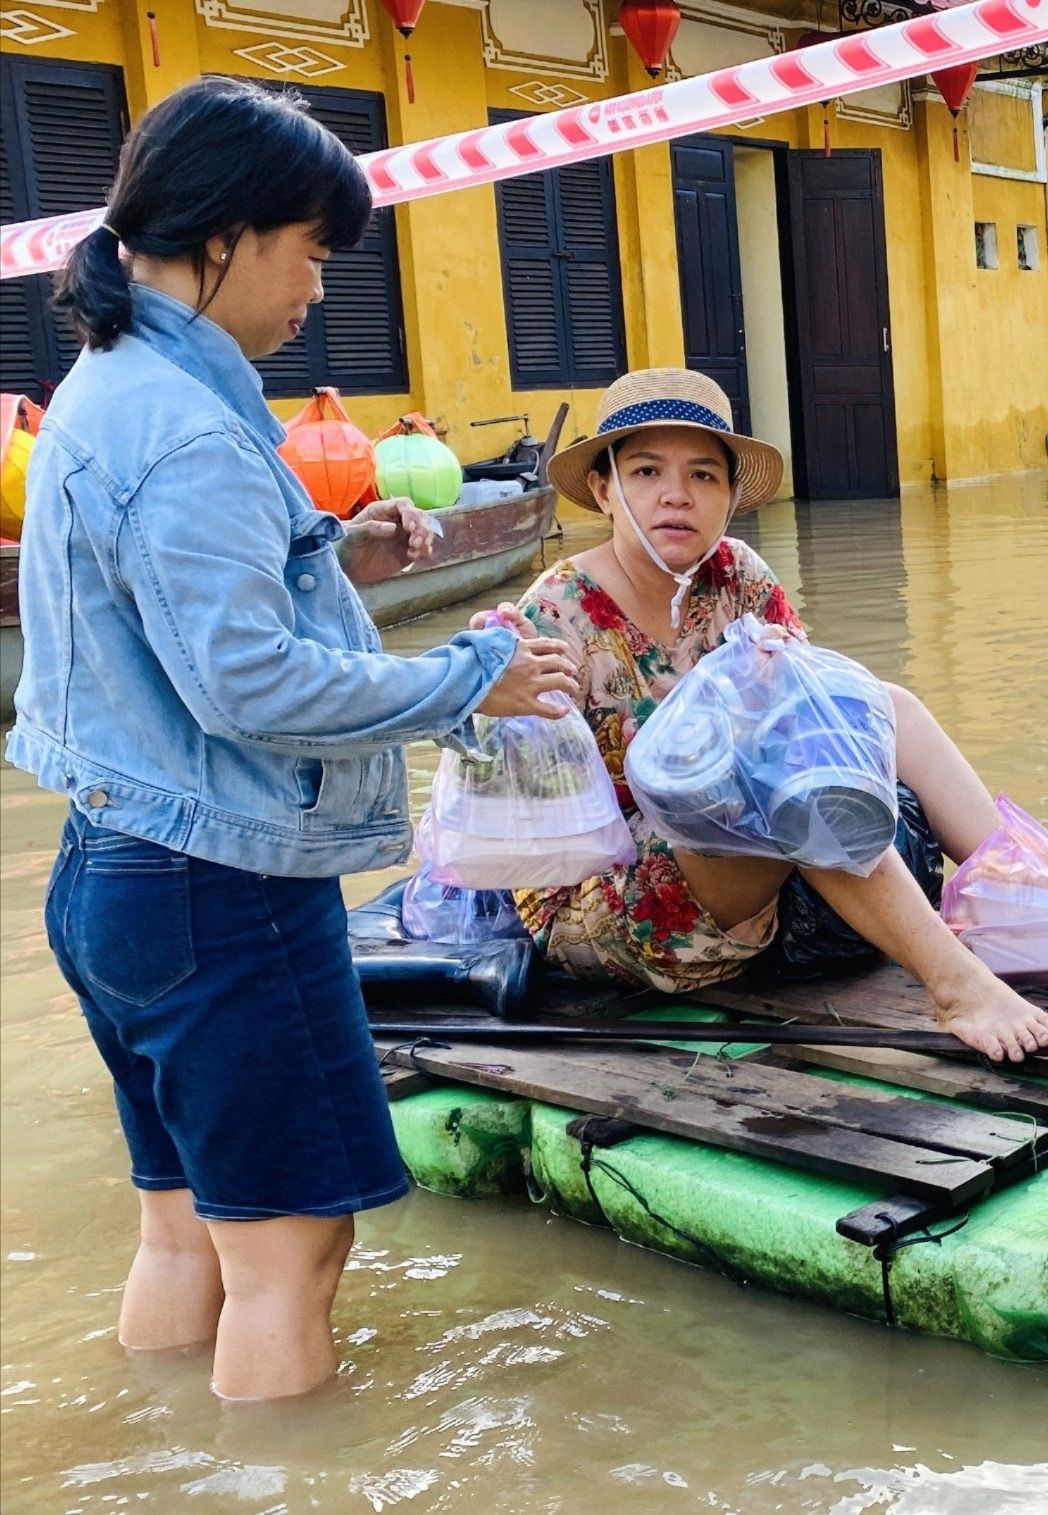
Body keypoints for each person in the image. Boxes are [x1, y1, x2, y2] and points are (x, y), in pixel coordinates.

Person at [6, 79, 576, 1401]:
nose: (317, 288)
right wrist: (469, 674)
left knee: (186, 1223)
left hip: (117, 870)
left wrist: (331, 547)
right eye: (309, 252)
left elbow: (167, 614)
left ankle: (167, 1452)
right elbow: (249, 686)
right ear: (224, 236)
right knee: (293, 1249)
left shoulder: (107, 384)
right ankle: (283, 1474)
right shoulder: (191, 426)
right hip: (225, 890)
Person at [493, 368, 1048, 1061]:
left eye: (704, 476)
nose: (677, 495)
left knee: (880, 708)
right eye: (648, 470)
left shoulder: (737, 576)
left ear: (731, 496)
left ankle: (1028, 895)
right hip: (606, 893)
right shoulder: (553, 610)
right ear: (604, 489)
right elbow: (516, 800)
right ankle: (958, 986)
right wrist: (490, 680)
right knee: (787, 784)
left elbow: (822, 717)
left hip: (743, 847)